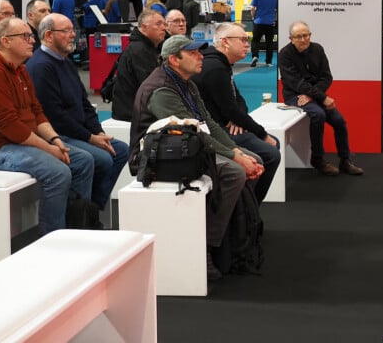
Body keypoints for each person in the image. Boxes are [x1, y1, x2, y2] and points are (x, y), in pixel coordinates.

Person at [131, 35, 262, 281]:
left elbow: (207, 123)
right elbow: (196, 135)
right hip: (157, 157)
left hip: (182, 149)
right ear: (174, 59)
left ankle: (234, 231)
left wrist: (238, 151)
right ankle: (208, 246)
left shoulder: (186, 82)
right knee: (235, 172)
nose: (201, 56)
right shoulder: (161, 89)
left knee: (253, 159)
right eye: (193, 53)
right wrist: (236, 157)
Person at [0, 17, 94, 234]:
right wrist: (49, 149)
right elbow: (10, 126)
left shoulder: (20, 70)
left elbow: (37, 112)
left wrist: (56, 140)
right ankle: (52, 237)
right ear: (5, 41)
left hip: (19, 142)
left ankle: (78, 225)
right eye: (25, 36)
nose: (32, 40)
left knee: (82, 161)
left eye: (31, 35)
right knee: (58, 172)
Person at [27, 13, 129, 211]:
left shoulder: (64, 61)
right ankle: (78, 216)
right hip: (57, 135)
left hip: (78, 131)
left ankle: (92, 208)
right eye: (66, 31)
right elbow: (54, 116)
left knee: (120, 150)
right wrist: (90, 138)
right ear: (48, 35)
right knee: (95, 158)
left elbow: (85, 103)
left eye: (72, 29)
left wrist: (98, 132)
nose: (73, 34)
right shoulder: (41, 67)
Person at [192, 23, 281, 203]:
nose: (247, 44)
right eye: (242, 40)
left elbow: (238, 101)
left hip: (226, 125)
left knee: (271, 147)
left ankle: (247, 210)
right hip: (215, 131)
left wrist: (237, 118)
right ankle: (248, 208)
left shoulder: (221, 64)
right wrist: (261, 133)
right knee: (271, 152)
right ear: (225, 42)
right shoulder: (215, 68)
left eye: (247, 40)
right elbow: (230, 108)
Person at [278, 21, 364, 176]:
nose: (303, 39)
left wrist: (313, 95)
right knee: (319, 115)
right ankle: (317, 159)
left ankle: (345, 160)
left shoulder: (317, 49)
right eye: (299, 37)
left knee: (339, 121)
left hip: (313, 95)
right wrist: (321, 97)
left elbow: (326, 77)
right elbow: (295, 82)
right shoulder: (285, 55)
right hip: (294, 96)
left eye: (306, 35)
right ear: (290, 38)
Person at [111, 10, 166, 121]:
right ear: (144, 28)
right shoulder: (140, 50)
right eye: (158, 24)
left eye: (164, 24)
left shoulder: (146, 47)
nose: (164, 28)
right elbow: (151, 86)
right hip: (133, 113)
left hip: (136, 109)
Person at [249, 0, 278, 67]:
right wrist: (273, 18)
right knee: (269, 43)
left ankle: (255, 56)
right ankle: (268, 62)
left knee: (255, 40)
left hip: (259, 22)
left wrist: (253, 17)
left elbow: (252, 8)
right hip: (270, 23)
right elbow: (276, 9)